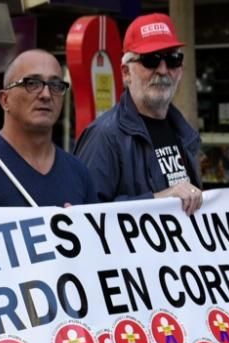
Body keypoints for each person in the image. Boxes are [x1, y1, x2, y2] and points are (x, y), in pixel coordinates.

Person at [74, 13, 203, 215]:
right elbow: (85, 215)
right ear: (126, 73)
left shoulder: (183, 132)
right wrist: (160, 200)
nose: (162, 70)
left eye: (172, 60)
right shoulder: (104, 135)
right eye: (150, 60)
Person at [0, 49, 94, 207]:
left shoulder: (79, 173)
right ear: (5, 100)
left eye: (55, 85)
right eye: (32, 84)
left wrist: (80, 228)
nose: (46, 95)